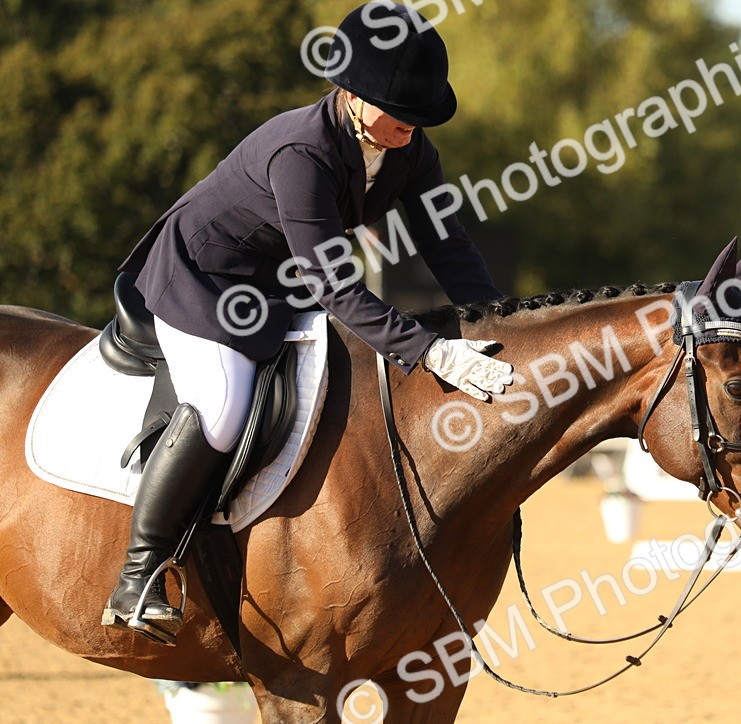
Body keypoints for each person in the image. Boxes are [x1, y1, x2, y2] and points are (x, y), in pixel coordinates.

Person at [101, 2, 513, 645]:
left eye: (418, 115)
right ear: (352, 95)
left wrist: (499, 323)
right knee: (221, 407)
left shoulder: (409, 147)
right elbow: (333, 282)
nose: (410, 126)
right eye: (398, 112)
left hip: (280, 282)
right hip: (206, 280)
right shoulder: (303, 152)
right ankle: (140, 573)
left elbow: (446, 243)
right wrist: (429, 350)